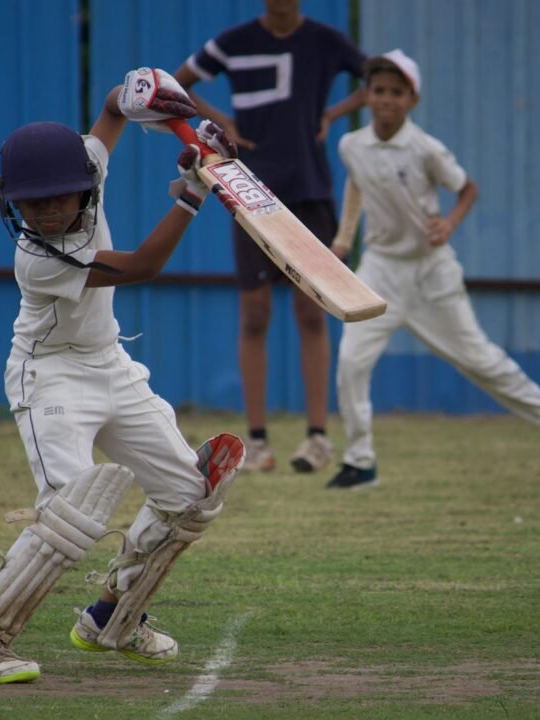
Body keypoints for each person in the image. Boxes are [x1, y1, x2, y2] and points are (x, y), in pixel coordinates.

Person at [0, 68, 246, 684]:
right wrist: (193, 190)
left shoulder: (87, 166)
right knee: (70, 515)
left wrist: (134, 94)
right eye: (31, 203)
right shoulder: (38, 258)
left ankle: (113, 618)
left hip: (110, 362)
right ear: (10, 203)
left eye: (58, 198)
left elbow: (111, 115)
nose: (47, 212)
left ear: (83, 185)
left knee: (192, 496)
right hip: (48, 376)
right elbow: (140, 267)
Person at [327, 50, 540, 490]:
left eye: (397, 93)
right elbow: (356, 185)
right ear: (366, 96)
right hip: (378, 271)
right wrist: (343, 240)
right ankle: (360, 462)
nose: (386, 100)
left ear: (412, 100)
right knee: (350, 364)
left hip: (431, 274)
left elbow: (468, 187)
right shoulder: (351, 145)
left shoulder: (425, 148)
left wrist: (448, 223)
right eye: (378, 91)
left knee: (480, 361)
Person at [173, 0, 366, 474]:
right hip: (249, 189)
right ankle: (256, 443)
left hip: (310, 187)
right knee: (255, 313)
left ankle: (317, 439)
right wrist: (225, 124)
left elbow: (375, 76)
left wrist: (333, 114)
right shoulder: (235, 42)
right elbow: (178, 86)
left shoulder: (324, 40)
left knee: (311, 308)